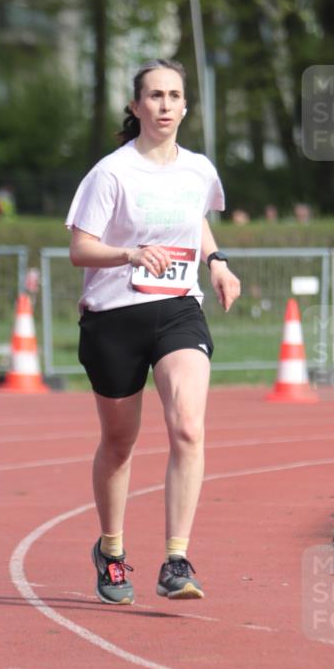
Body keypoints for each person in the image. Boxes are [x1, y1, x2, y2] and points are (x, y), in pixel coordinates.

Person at [66, 58, 241, 606]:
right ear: (137, 106)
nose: (165, 105)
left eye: (174, 96)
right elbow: (79, 248)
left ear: (186, 106)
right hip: (113, 316)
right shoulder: (111, 173)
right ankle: (112, 553)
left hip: (177, 311)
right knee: (119, 444)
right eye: (155, 96)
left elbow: (197, 220)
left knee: (188, 427)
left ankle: (176, 559)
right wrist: (130, 253)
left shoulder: (198, 170)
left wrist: (217, 262)